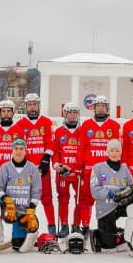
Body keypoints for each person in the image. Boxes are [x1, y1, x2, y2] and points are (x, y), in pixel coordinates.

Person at [75, 95, 120, 238]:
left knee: (106, 201)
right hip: (90, 169)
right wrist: (79, 165)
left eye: (103, 106)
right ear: (94, 108)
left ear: (107, 109)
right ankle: (86, 226)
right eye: (98, 106)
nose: (100, 108)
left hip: (107, 170)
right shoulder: (86, 125)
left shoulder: (114, 126)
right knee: (86, 200)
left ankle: (105, 228)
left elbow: (117, 147)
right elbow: (81, 147)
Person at [15, 94, 55, 235]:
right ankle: (28, 226)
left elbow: (51, 142)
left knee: (46, 198)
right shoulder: (20, 125)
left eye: (34, 104)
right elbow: (18, 147)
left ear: (38, 105)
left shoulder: (46, 122)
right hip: (27, 169)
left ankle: (51, 227)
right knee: (26, 199)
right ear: (26, 107)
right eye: (29, 104)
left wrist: (45, 159)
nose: (32, 107)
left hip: (42, 168)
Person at [0, 138, 42, 251]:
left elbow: (36, 190)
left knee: (17, 245)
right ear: (12, 150)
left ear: (25, 151)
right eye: (16, 149)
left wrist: (32, 208)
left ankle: (30, 232)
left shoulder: (32, 168)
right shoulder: (5, 167)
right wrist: (6, 199)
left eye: (21, 149)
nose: (18, 152)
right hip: (10, 207)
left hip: (25, 211)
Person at [89, 139, 133, 252]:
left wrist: (127, 195)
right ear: (107, 152)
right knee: (108, 247)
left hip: (120, 205)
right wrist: (110, 193)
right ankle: (107, 235)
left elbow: (131, 186)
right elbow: (95, 190)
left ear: (120, 153)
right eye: (111, 151)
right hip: (105, 208)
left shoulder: (125, 169)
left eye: (117, 151)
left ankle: (131, 235)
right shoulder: (98, 168)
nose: (114, 153)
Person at [52, 102, 81, 238]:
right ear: (65, 115)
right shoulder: (58, 132)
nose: (72, 115)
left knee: (79, 199)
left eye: (75, 113)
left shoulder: (82, 131)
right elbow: (53, 151)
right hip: (64, 172)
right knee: (63, 199)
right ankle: (64, 226)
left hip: (78, 172)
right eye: (70, 113)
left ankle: (76, 225)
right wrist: (56, 165)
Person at [0, 99, 25, 184]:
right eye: (3, 111)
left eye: (8, 111)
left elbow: (23, 152)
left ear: (13, 113)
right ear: (0, 113)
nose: (6, 113)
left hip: (14, 169)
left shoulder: (19, 131)